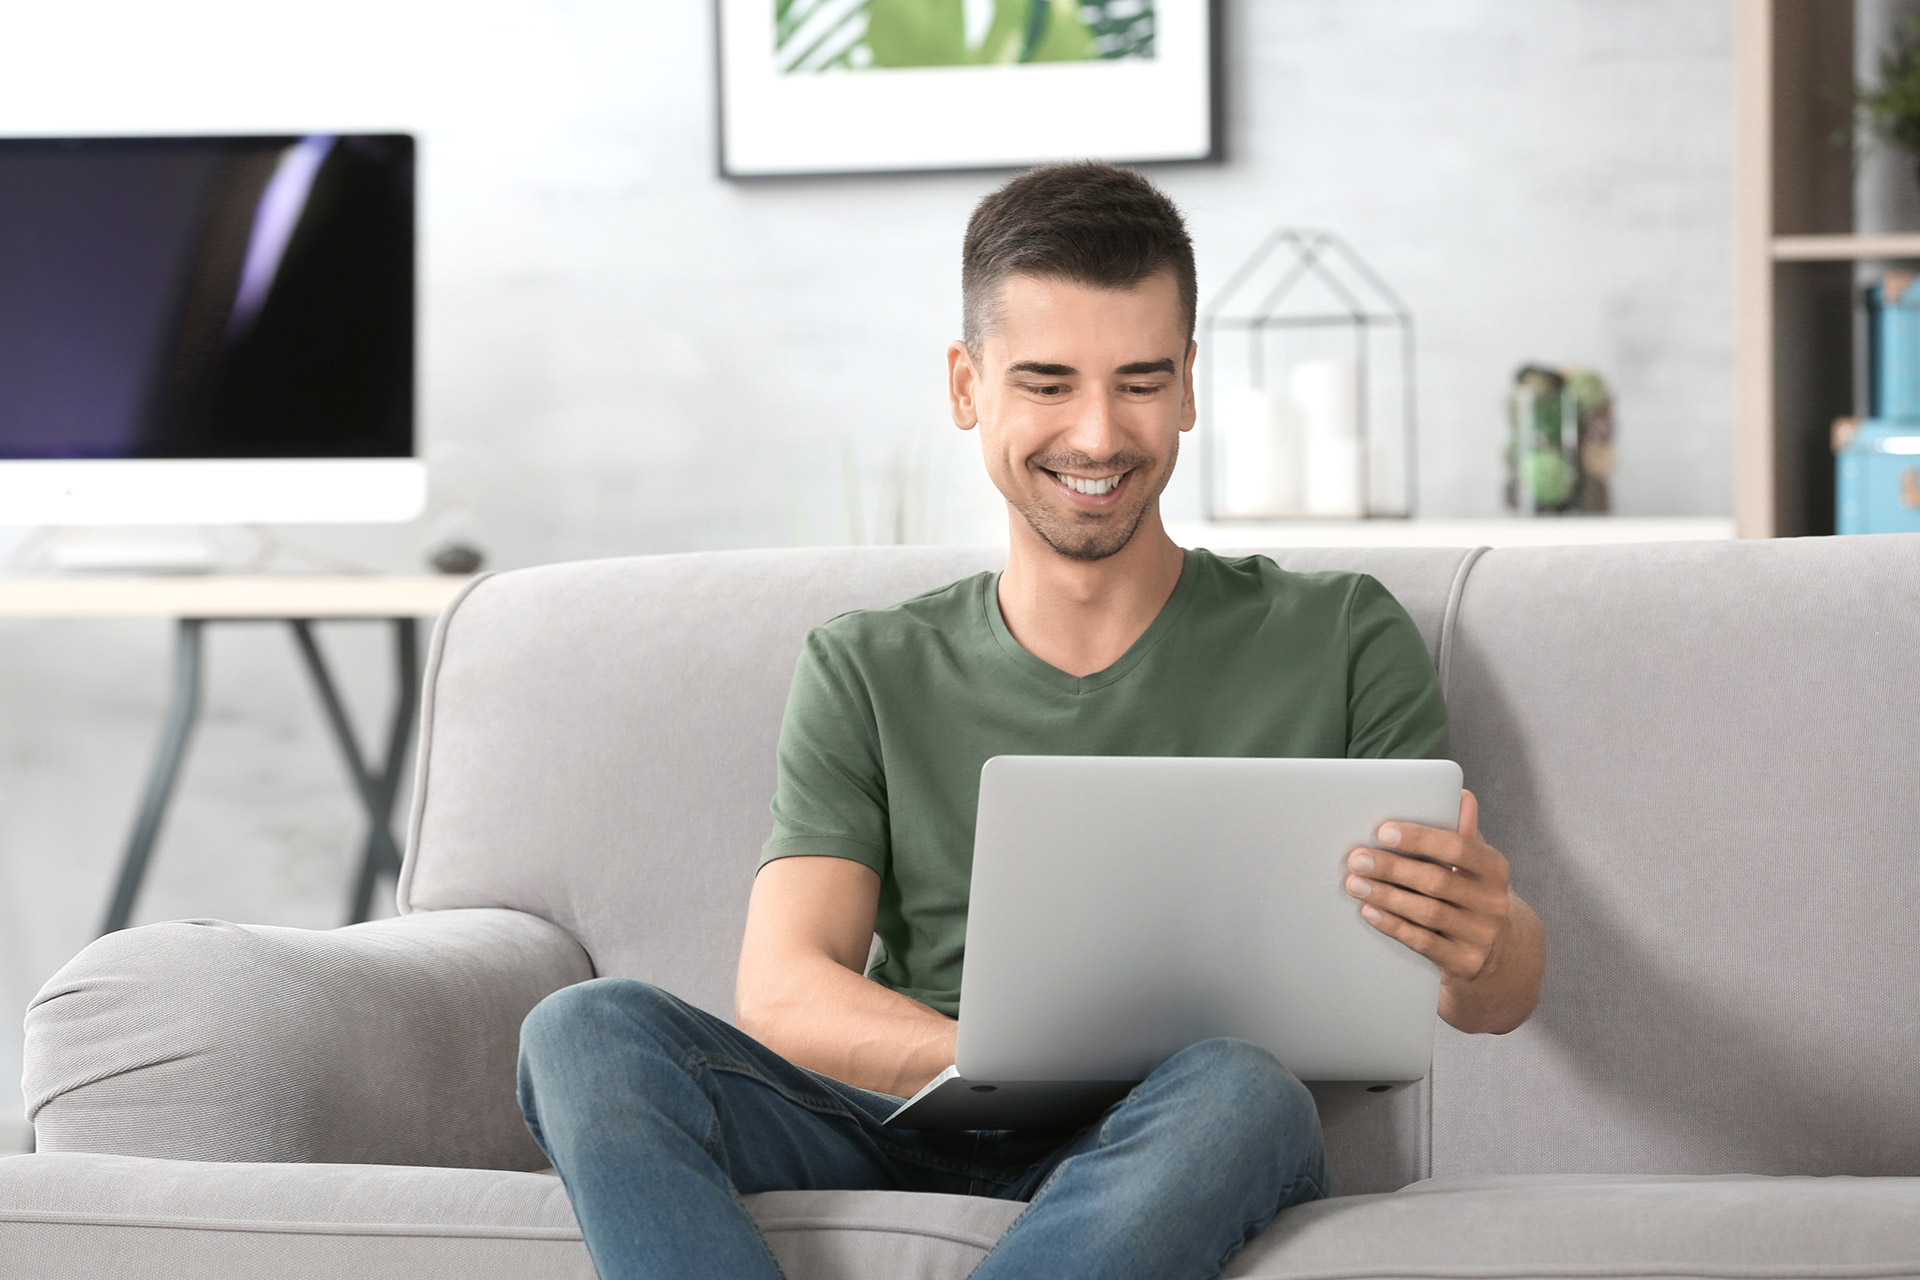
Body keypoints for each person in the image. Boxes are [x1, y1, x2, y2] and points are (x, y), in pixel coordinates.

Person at [516, 161, 1547, 1280]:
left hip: (1179, 1132)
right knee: (584, 1030)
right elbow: (783, 987)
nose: (1098, 435)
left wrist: (1491, 942)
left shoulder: (1342, 633)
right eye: (1047, 383)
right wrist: (1000, 1061)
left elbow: (1489, 993)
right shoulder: (867, 664)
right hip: (903, 1119)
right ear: (968, 386)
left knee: (1246, 1086)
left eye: (1140, 381)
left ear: (1191, 385)